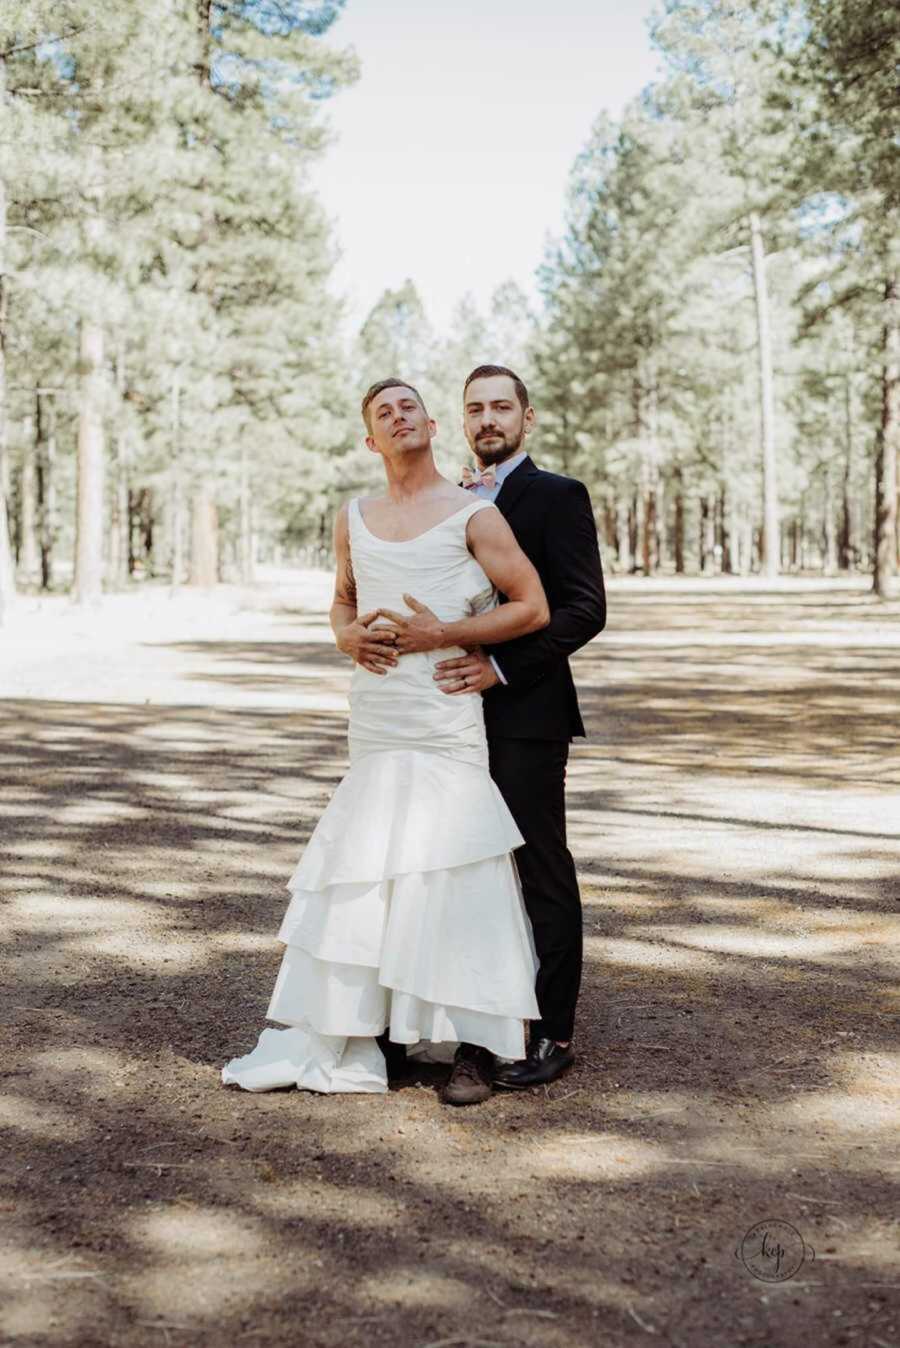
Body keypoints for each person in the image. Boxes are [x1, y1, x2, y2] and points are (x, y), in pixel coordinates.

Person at [221, 377, 549, 1105]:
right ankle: (372, 1027)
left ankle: (477, 1046)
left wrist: (445, 634)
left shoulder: (475, 514)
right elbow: (342, 599)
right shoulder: (354, 516)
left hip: (442, 710)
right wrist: (346, 640)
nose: (399, 418)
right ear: (372, 439)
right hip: (376, 712)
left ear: (433, 426)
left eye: (409, 407)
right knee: (373, 863)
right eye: (382, 413)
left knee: (455, 861)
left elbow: (532, 606)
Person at [433, 365, 606, 1089]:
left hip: (526, 715)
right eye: (475, 409)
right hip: (447, 718)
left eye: (501, 407)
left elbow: (583, 608)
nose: (487, 419)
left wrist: (501, 669)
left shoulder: (558, 497)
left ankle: (552, 1032)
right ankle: (476, 1025)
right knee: (468, 870)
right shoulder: (448, 503)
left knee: (539, 868)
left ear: (527, 419)